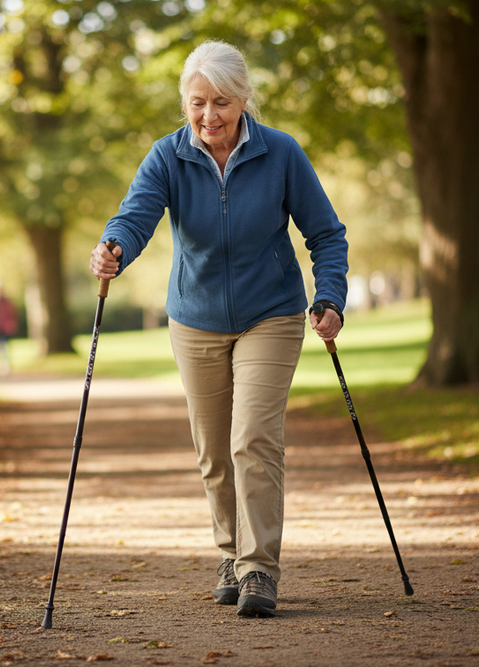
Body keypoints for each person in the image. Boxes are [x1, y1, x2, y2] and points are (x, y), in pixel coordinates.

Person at [89, 40, 348, 618]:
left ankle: (259, 570)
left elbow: (326, 234)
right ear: (184, 102)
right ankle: (229, 554)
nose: (209, 117)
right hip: (196, 318)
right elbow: (135, 215)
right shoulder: (167, 156)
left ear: (245, 101)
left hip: (272, 314)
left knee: (252, 437)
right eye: (197, 102)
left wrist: (330, 295)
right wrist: (113, 248)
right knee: (214, 451)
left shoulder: (281, 153)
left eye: (222, 103)